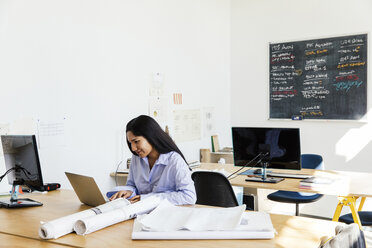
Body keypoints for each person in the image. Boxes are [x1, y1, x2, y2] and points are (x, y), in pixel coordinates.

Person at [107, 115, 196, 205]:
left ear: (150, 136)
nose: (133, 148)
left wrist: (147, 199)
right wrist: (129, 191)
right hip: (141, 212)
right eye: (131, 143)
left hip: (167, 213)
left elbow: (189, 196)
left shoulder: (174, 161)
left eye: (136, 141)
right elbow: (132, 185)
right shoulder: (136, 157)